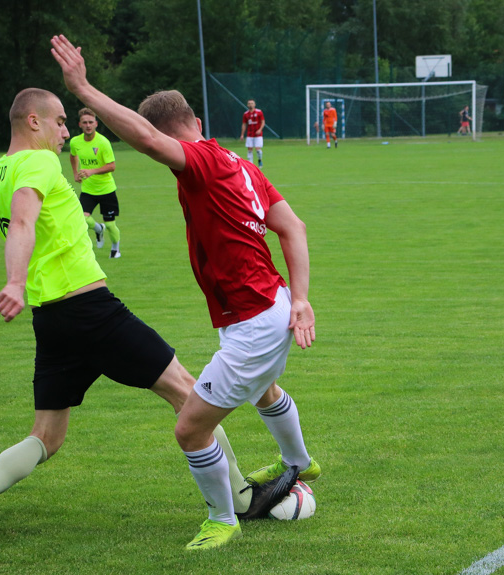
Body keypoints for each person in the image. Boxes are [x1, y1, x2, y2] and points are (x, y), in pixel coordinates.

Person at [0, 88, 292, 541]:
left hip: (50, 322)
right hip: (92, 312)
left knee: (46, 436)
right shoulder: (38, 162)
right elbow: (24, 221)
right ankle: (243, 498)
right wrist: (14, 280)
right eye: (59, 123)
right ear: (33, 122)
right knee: (190, 397)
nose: (67, 133)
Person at [53, 34, 321, 551]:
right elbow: (296, 227)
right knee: (263, 389)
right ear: (197, 119)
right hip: (277, 305)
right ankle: (299, 462)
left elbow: (153, 143)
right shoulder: (242, 165)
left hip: (255, 320)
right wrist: (303, 298)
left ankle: (223, 518)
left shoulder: (199, 161)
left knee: (190, 430)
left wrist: (84, 87)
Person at [69, 108, 122, 258]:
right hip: (88, 190)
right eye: (85, 122)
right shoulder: (75, 142)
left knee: (111, 225)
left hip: (107, 190)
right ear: (80, 124)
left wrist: (91, 171)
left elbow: (112, 166)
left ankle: (115, 248)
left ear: (96, 124)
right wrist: (75, 172)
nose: (88, 125)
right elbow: (73, 156)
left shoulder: (103, 143)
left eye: (90, 122)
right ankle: (99, 229)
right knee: (83, 219)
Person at [239, 99, 265, 167]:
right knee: (249, 149)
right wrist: (242, 134)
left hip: (258, 134)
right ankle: (251, 165)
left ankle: (259, 160)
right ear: (247, 105)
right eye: (249, 103)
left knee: (257, 149)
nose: (250, 105)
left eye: (252, 103)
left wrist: (260, 129)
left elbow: (263, 122)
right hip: (250, 134)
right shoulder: (246, 114)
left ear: (254, 104)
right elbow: (244, 124)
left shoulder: (259, 112)